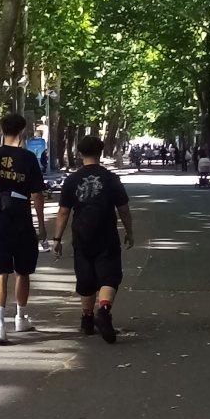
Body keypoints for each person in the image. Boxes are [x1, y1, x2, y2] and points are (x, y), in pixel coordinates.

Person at [0, 112, 47, 345]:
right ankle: (21, 318)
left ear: (1, 131)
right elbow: (37, 194)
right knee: (23, 271)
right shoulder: (28, 159)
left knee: (0, 272)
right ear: (22, 133)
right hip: (21, 222)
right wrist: (41, 225)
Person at [53, 134, 134, 343]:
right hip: (106, 233)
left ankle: (87, 319)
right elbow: (123, 208)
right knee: (110, 276)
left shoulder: (71, 180)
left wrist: (57, 238)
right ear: (100, 151)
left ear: (80, 154)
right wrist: (129, 231)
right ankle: (104, 311)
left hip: (81, 235)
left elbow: (63, 212)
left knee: (86, 277)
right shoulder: (111, 178)